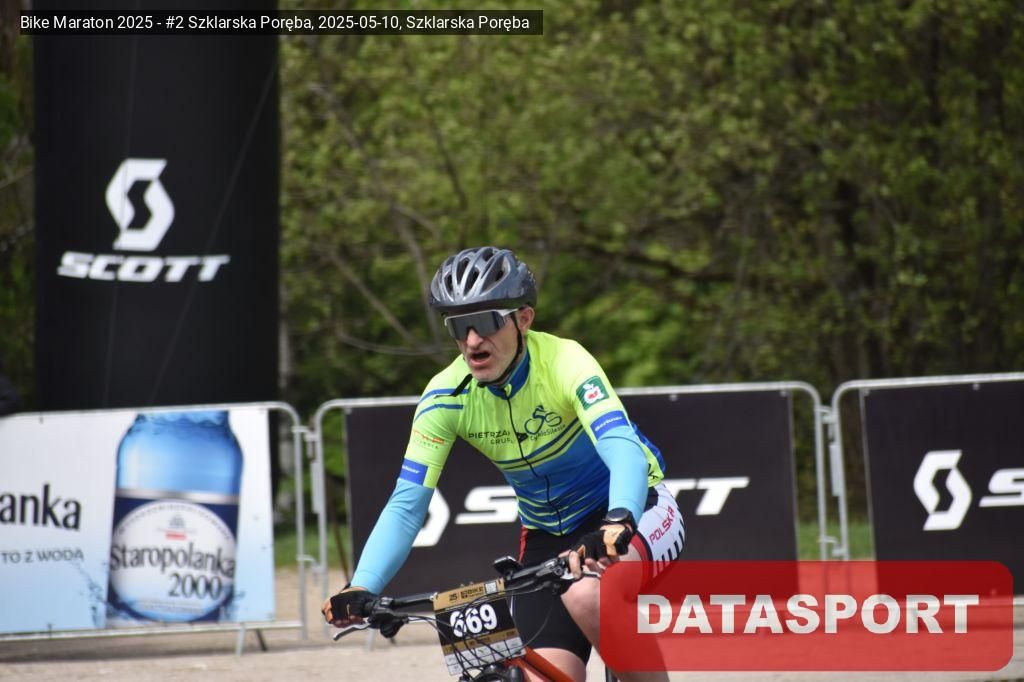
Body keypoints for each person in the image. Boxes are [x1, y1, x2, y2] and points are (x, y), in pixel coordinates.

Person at [323, 246, 685, 681]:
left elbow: (621, 446)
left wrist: (619, 519)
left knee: (589, 594)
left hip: (634, 509)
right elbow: (407, 505)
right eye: (458, 326)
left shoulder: (566, 361)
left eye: (486, 321)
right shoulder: (444, 397)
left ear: (523, 319)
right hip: (547, 537)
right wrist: (363, 584)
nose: (472, 340)